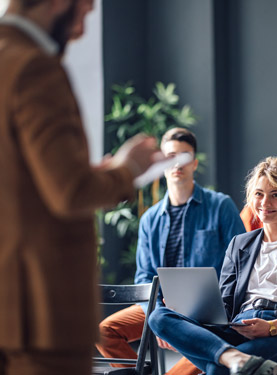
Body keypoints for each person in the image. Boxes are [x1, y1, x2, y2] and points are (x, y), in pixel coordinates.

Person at [0, 1, 165, 374]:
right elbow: (70, 192)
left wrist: (90, 173)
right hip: (39, 312)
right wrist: (127, 169)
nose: (81, 31)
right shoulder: (34, 68)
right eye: (83, 12)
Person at [148, 156, 277, 375]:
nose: (265, 203)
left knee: (218, 370)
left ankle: (227, 358)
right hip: (236, 327)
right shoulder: (239, 244)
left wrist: (272, 327)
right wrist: (188, 310)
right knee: (158, 317)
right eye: (259, 194)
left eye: (275, 195)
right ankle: (230, 356)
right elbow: (225, 304)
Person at [96, 127, 246, 373]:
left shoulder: (220, 206)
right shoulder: (150, 219)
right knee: (105, 331)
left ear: (195, 162)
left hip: (208, 311)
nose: (178, 163)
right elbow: (144, 275)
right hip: (160, 307)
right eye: (171, 156)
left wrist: (219, 304)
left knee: (209, 342)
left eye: (184, 156)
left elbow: (243, 262)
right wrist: (160, 317)